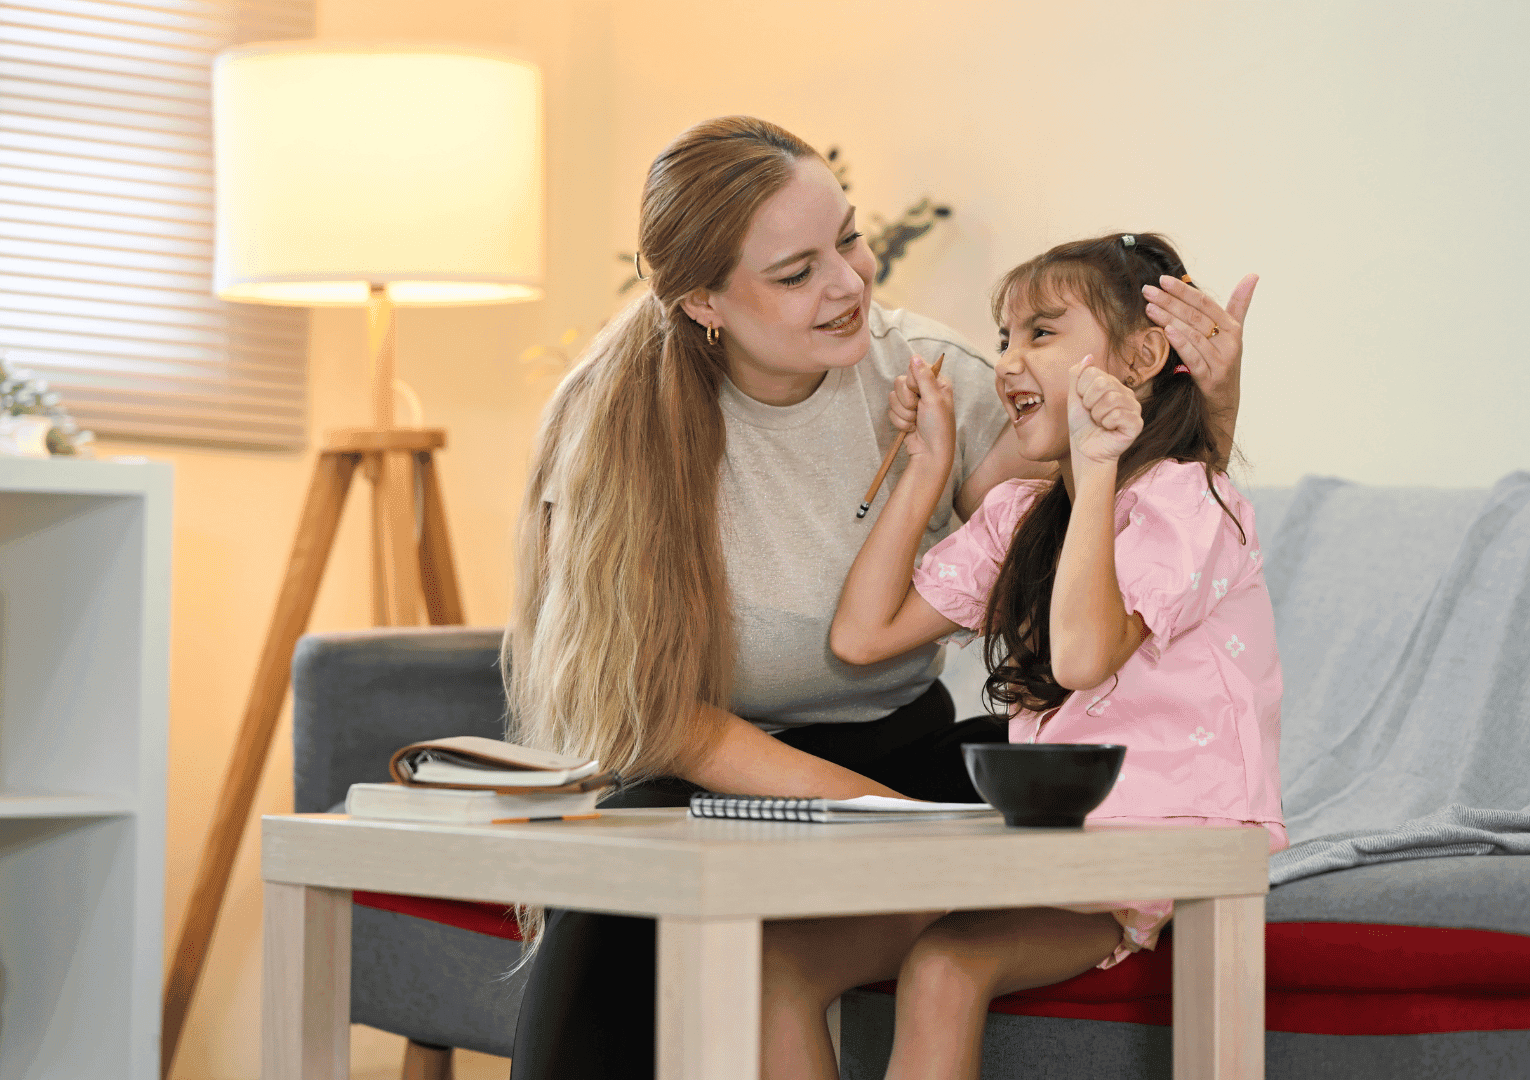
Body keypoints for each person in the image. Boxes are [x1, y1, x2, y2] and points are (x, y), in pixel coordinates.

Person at [503, 115, 1254, 1079]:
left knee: (1055, 769)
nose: (850, 283)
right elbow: (660, 718)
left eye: (849, 239)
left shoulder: (933, 372)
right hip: (716, 771)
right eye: (796, 273)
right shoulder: (611, 426)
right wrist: (888, 824)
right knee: (622, 881)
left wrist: (1212, 403)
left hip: (907, 745)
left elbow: (1110, 543)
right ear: (703, 302)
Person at [762, 232, 1284, 1080]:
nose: (1006, 363)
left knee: (946, 964)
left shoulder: (1187, 501)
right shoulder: (1019, 514)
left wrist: (1098, 466)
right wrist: (927, 467)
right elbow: (862, 637)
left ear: (1143, 356)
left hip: (1149, 857)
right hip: (1043, 851)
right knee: (779, 964)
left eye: (1041, 333)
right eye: (1005, 337)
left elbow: (1081, 659)